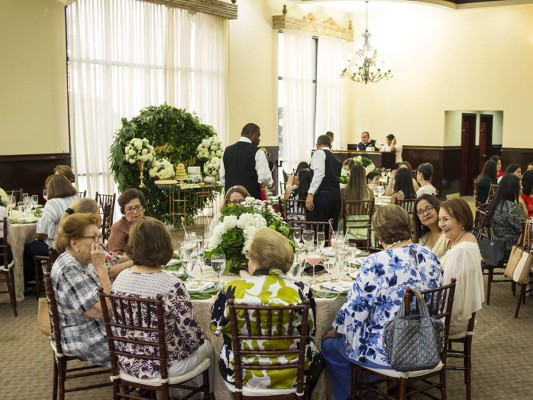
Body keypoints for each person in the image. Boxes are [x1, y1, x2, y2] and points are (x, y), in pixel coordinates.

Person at [321, 205, 443, 400]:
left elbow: (356, 311)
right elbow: (436, 305)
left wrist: (335, 328)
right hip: (427, 342)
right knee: (360, 336)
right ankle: (370, 391)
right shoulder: (431, 256)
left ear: (378, 234)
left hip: (390, 351)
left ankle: (356, 395)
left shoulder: (376, 262)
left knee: (330, 345)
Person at [210, 227, 324, 391]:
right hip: (294, 374)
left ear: (255, 260)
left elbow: (215, 327)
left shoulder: (231, 289)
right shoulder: (302, 290)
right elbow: (311, 331)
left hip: (240, 374)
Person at [112, 218, 212, 391]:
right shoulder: (170, 285)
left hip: (126, 361)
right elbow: (192, 338)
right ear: (164, 245)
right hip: (164, 367)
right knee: (210, 345)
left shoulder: (120, 279)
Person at [51, 213, 111, 366]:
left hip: (95, 326)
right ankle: (150, 383)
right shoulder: (68, 269)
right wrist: (102, 268)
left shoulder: (83, 261)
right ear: (75, 243)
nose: (100, 243)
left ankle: (145, 381)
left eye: (99, 237)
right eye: (94, 238)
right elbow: (106, 309)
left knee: (145, 332)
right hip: (82, 335)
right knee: (141, 343)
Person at [438, 198, 484, 336]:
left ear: (462, 220)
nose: (441, 224)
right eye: (440, 220)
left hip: (451, 320)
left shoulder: (461, 251)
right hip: (458, 316)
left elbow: (448, 293)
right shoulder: (468, 240)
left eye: (445, 219)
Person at [23, 175, 78, 286]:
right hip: (76, 243)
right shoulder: (77, 199)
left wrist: (36, 237)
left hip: (57, 246)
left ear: (51, 189)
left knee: (26, 249)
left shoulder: (52, 203)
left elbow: (43, 233)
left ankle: (33, 282)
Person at [61, 198, 134, 279]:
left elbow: (112, 258)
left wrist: (137, 258)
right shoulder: (85, 250)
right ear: (90, 216)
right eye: (99, 213)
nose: (101, 217)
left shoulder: (94, 238)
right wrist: (135, 262)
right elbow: (107, 273)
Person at [220, 123, 274, 200]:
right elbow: (264, 178)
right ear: (251, 134)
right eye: (258, 135)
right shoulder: (258, 152)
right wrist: (271, 185)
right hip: (251, 199)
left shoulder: (227, 150)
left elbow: (222, 178)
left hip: (231, 200)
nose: (259, 139)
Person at [306, 135, 342, 229]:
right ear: (331, 146)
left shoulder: (319, 153)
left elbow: (319, 174)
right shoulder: (336, 159)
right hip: (336, 197)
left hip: (323, 198)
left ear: (317, 145)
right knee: (331, 230)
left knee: (318, 229)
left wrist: (310, 193)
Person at [489, 174, 527, 260]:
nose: (522, 187)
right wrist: (523, 204)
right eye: (519, 185)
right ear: (512, 189)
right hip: (511, 247)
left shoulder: (497, 203)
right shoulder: (511, 207)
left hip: (498, 244)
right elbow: (523, 229)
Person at [338, 164, 374, 239]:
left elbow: (341, 212)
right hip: (365, 227)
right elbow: (372, 212)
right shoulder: (370, 192)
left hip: (348, 226)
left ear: (351, 176)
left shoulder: (344, 192)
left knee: (339, 221)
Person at [107, 188, 147, 255]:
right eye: (130, 209)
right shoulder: (118, 228)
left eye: (137, 207)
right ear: (123, 211)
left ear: (143, 207)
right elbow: (114, 255)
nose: (135, 211)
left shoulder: (150, 223)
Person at [414, 194, 448, 258]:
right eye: (420, 212)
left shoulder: (447, 235)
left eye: (428, 208)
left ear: (437, 208)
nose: (425, 214)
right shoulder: (422, 238)